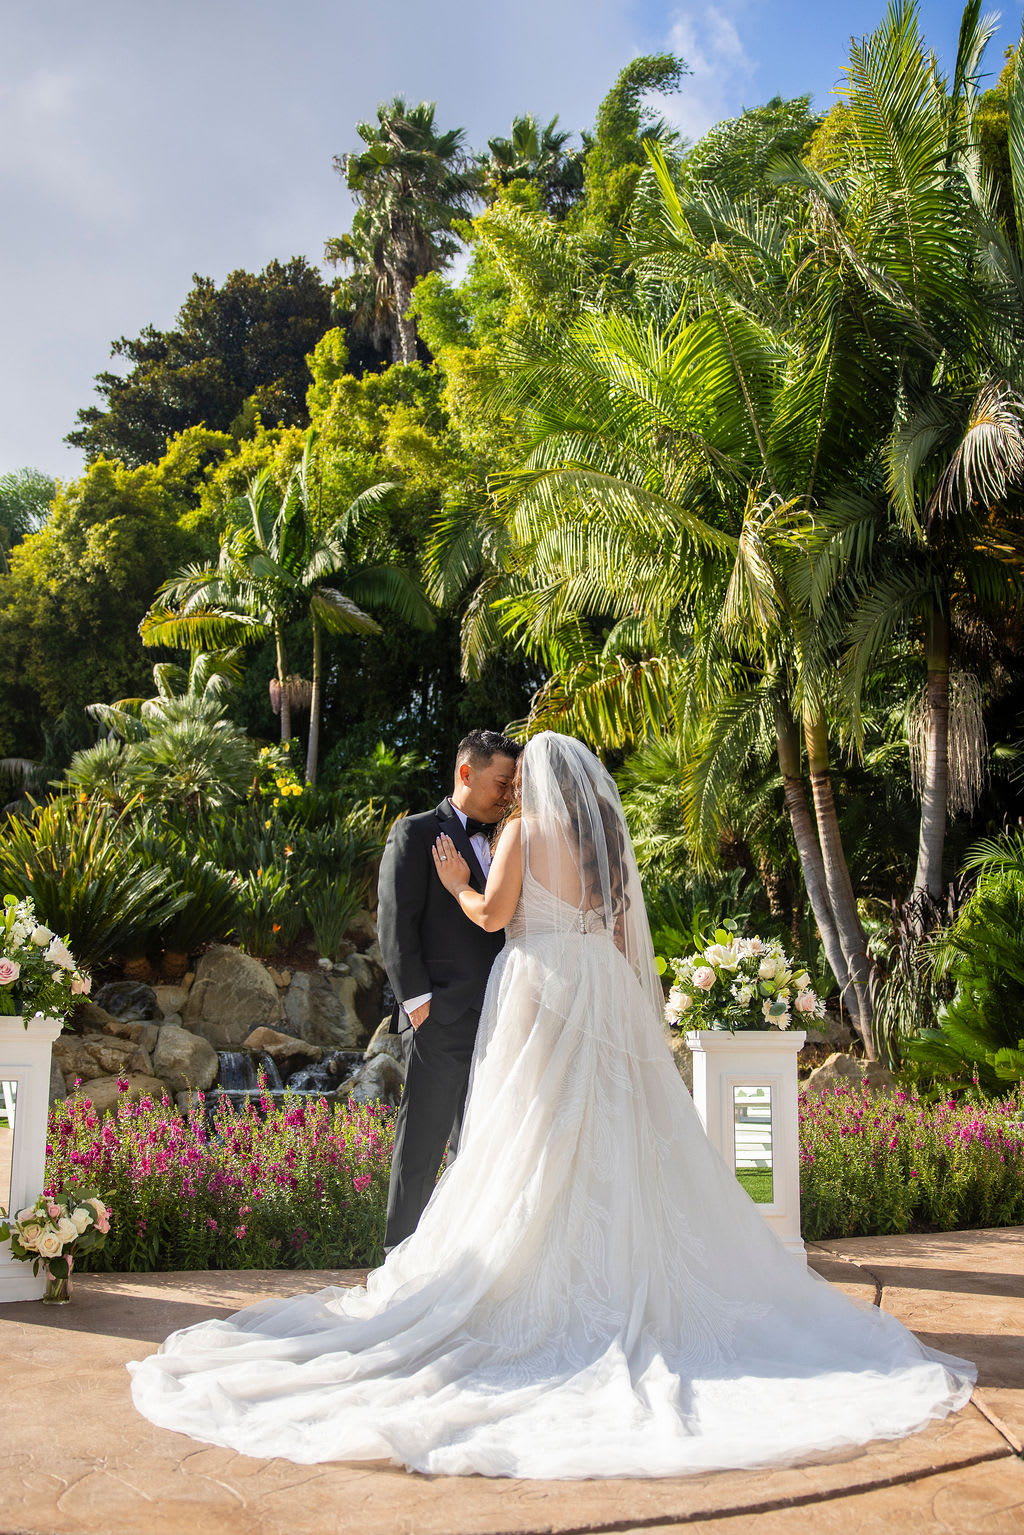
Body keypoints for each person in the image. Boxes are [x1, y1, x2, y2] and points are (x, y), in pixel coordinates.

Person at [129, 732, 976, 1479]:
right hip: (601, 988)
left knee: (529, 1130)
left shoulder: (524, 833)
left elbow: (493, 915)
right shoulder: (605, 843)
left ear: (535, 781)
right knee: (616, 1127)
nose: (512, 790)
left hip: (537, 985)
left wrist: (459, 882)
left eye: (518, 778)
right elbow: (621, 936)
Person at [376, 729, 520, 1251]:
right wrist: (419, 1005)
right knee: (422, 1141)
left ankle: (458, 1261)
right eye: (502, 782)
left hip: (505, 1014)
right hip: (442, 1016)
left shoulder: (513, 837)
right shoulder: (414, 833)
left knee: (480, 1144)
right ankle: (397, 1256)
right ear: (466, 773)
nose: (509, 795)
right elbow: (395, 924)